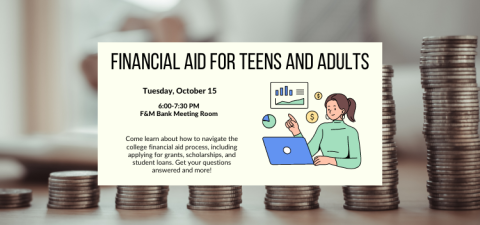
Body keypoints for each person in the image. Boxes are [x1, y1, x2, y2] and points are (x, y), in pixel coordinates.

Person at [285, 93, 361, 169]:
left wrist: (330, 160)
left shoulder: (351, 132)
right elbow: (307, 154)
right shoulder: (323, 128)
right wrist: (296, 132)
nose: (331, 112)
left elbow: (356, 161)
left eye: (335, 108)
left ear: (342, 110)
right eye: (328, 109)